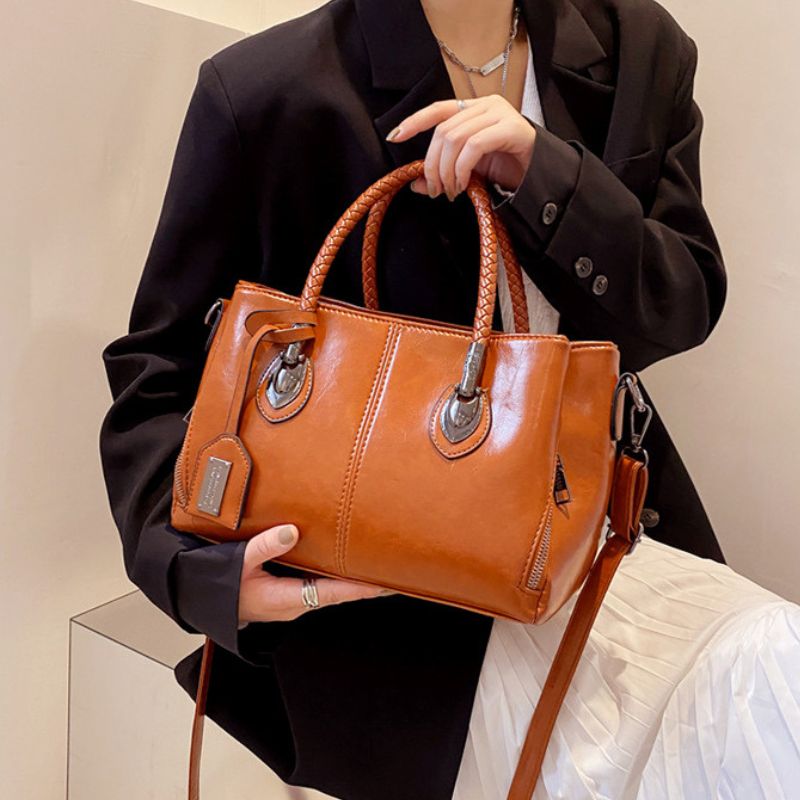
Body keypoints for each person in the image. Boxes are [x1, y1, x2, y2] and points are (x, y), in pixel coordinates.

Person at [98, 0, 734, 797]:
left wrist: (549, 177)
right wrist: (205, 573)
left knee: (754, 700)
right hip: (384, 608)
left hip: (601, 531)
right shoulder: (267, 90)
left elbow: (682, 302)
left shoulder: (639, 46)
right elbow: (157, 367)